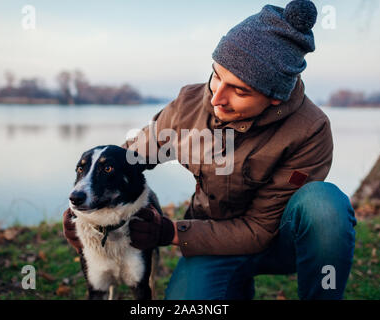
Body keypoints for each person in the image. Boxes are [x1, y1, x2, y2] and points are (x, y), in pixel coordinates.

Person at [63, 0, 357, 300]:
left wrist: (170, 232)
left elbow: (259, 228)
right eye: (217, 75)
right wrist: (87, 207)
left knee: (325, 205)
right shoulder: (190, 105)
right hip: (211, 238)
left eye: (239, 91)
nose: (216, 98)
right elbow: (128, 158)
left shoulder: (310, 131)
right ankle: (234, 285)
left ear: (275, 99)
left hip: (279, 242)